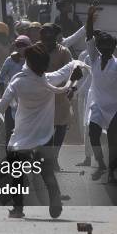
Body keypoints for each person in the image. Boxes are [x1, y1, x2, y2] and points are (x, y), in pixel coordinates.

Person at [0, 43, 84, 218]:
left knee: (18, 174)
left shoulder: (18, 82)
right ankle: (55, 200)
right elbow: (69, 67)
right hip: (45, 135)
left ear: (29, 63)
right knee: (47, 172)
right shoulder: (49, 80)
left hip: (22, 137)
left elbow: (0, 106)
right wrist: (76, 70)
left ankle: (18, 209)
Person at [85, 5, 117, 183]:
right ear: (99, 47)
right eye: (103, 46)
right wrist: (90, 17)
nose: (106, 49)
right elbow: (88, 35)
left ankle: (111, 173)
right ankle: (101, 163)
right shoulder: (93, 58)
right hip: (96, 105)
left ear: (113, 48)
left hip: (113, 107)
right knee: (93, 134)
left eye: (109, 47)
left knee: (112, 140)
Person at [40, 23, 73, 171]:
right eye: (44, 36)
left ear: (55, 37)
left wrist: (71, 87)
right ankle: (46, 159)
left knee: (60, 126)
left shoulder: (64, 52)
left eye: (50, 36)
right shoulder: (36, 49)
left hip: (60, 94)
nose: (46, 40)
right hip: (41, 95)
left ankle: (54, 157)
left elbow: (71, 71)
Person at [0, 35, 32, 146]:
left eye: (23, 45)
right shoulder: (10, 60)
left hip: (28, 99)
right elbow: (0, 78)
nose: (21, 48)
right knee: (10, 127)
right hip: (11, 98)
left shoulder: (32, 60)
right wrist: (3, 95)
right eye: (18, 45)